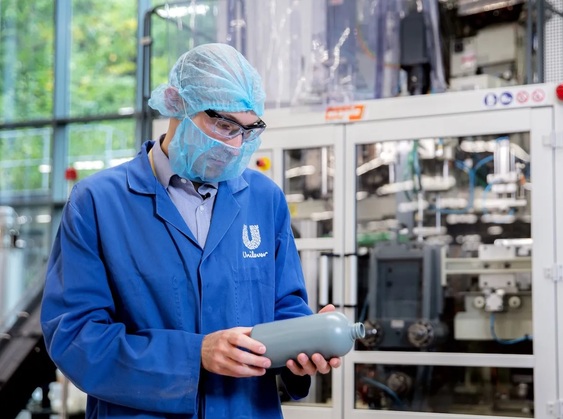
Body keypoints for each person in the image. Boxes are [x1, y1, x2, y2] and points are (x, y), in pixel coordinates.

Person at [41, 43, 340, 418]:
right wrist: (193, 356)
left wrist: (304, 342)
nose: (234, 146)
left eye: (247, 131)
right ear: (176, 105)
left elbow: (285, 307)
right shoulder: (98, 203)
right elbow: (75, 336)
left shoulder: (264, 199)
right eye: (223, 125)